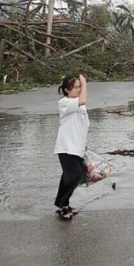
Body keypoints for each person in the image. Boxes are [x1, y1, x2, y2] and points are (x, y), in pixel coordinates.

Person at [54, 74, 89, 220]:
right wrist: (85, 82)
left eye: (80, 87)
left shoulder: (79, 104)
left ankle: (63, 203)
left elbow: (82, 125)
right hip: (66, 147)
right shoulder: (65, 102)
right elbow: (83, 100)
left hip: (77, 147)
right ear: (67, 90)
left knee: (73, 175)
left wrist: (84, 142)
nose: (79, 90)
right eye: (76, 87)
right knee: (74, 176)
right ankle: (62, 205)